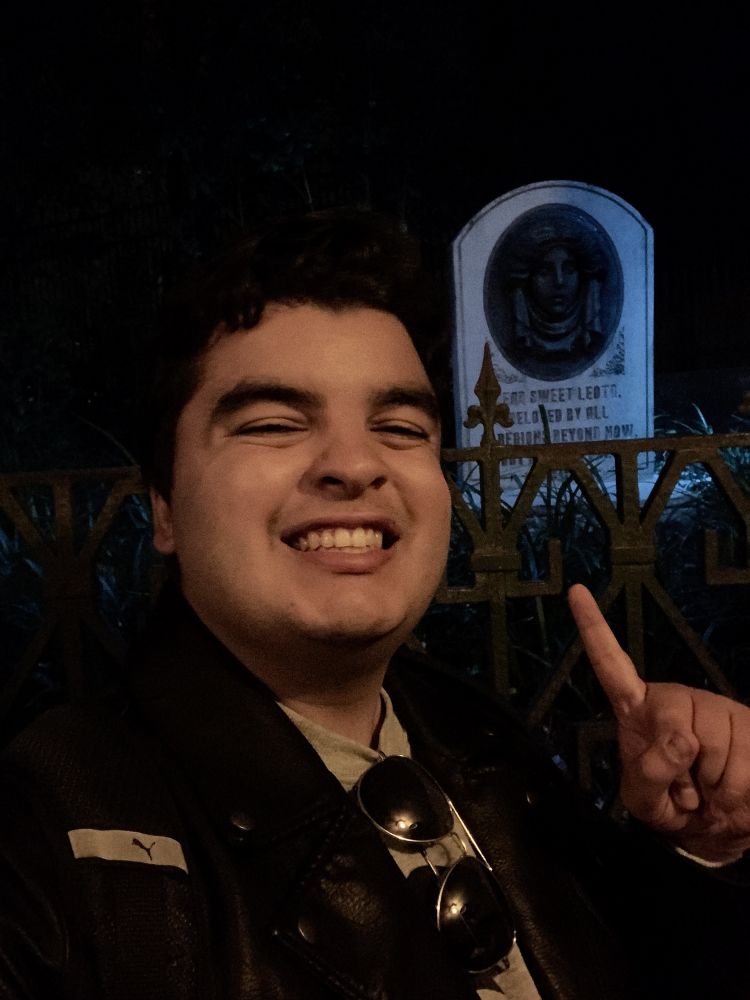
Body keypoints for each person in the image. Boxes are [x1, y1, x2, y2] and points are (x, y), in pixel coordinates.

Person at [1, 209, 749, 1000]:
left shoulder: (485, 747)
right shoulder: (53, 839)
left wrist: (700, 847)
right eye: (274, 424)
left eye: (398, 427)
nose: (356, 465)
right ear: (164, 507)